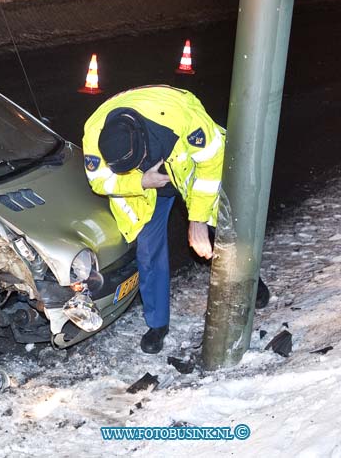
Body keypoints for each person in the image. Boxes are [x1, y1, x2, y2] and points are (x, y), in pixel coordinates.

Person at [82, 85, 267, 354]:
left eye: (137, 162)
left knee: (223, 229)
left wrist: (199, 220)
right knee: (148, 250)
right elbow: (98, 180)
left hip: (190, 173)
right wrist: (142, 179)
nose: (133, 167)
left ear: (144, 142)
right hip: (146, 189)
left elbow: (212, 162)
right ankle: (157, 325)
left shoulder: (183, 118)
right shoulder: (94, 132)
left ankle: (252, 283)